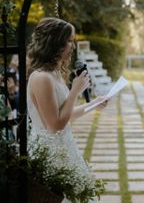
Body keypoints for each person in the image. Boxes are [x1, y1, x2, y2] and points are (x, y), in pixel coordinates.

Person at [27, 17, 107, 201]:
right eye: (69, 41)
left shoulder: (55, 73)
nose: (72, 46)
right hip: (50, 151)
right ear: (55, 43)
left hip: (65, 146)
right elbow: (55, 125)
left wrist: (94, 104)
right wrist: (75, 91)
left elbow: (66, 114)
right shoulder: (42, 78)